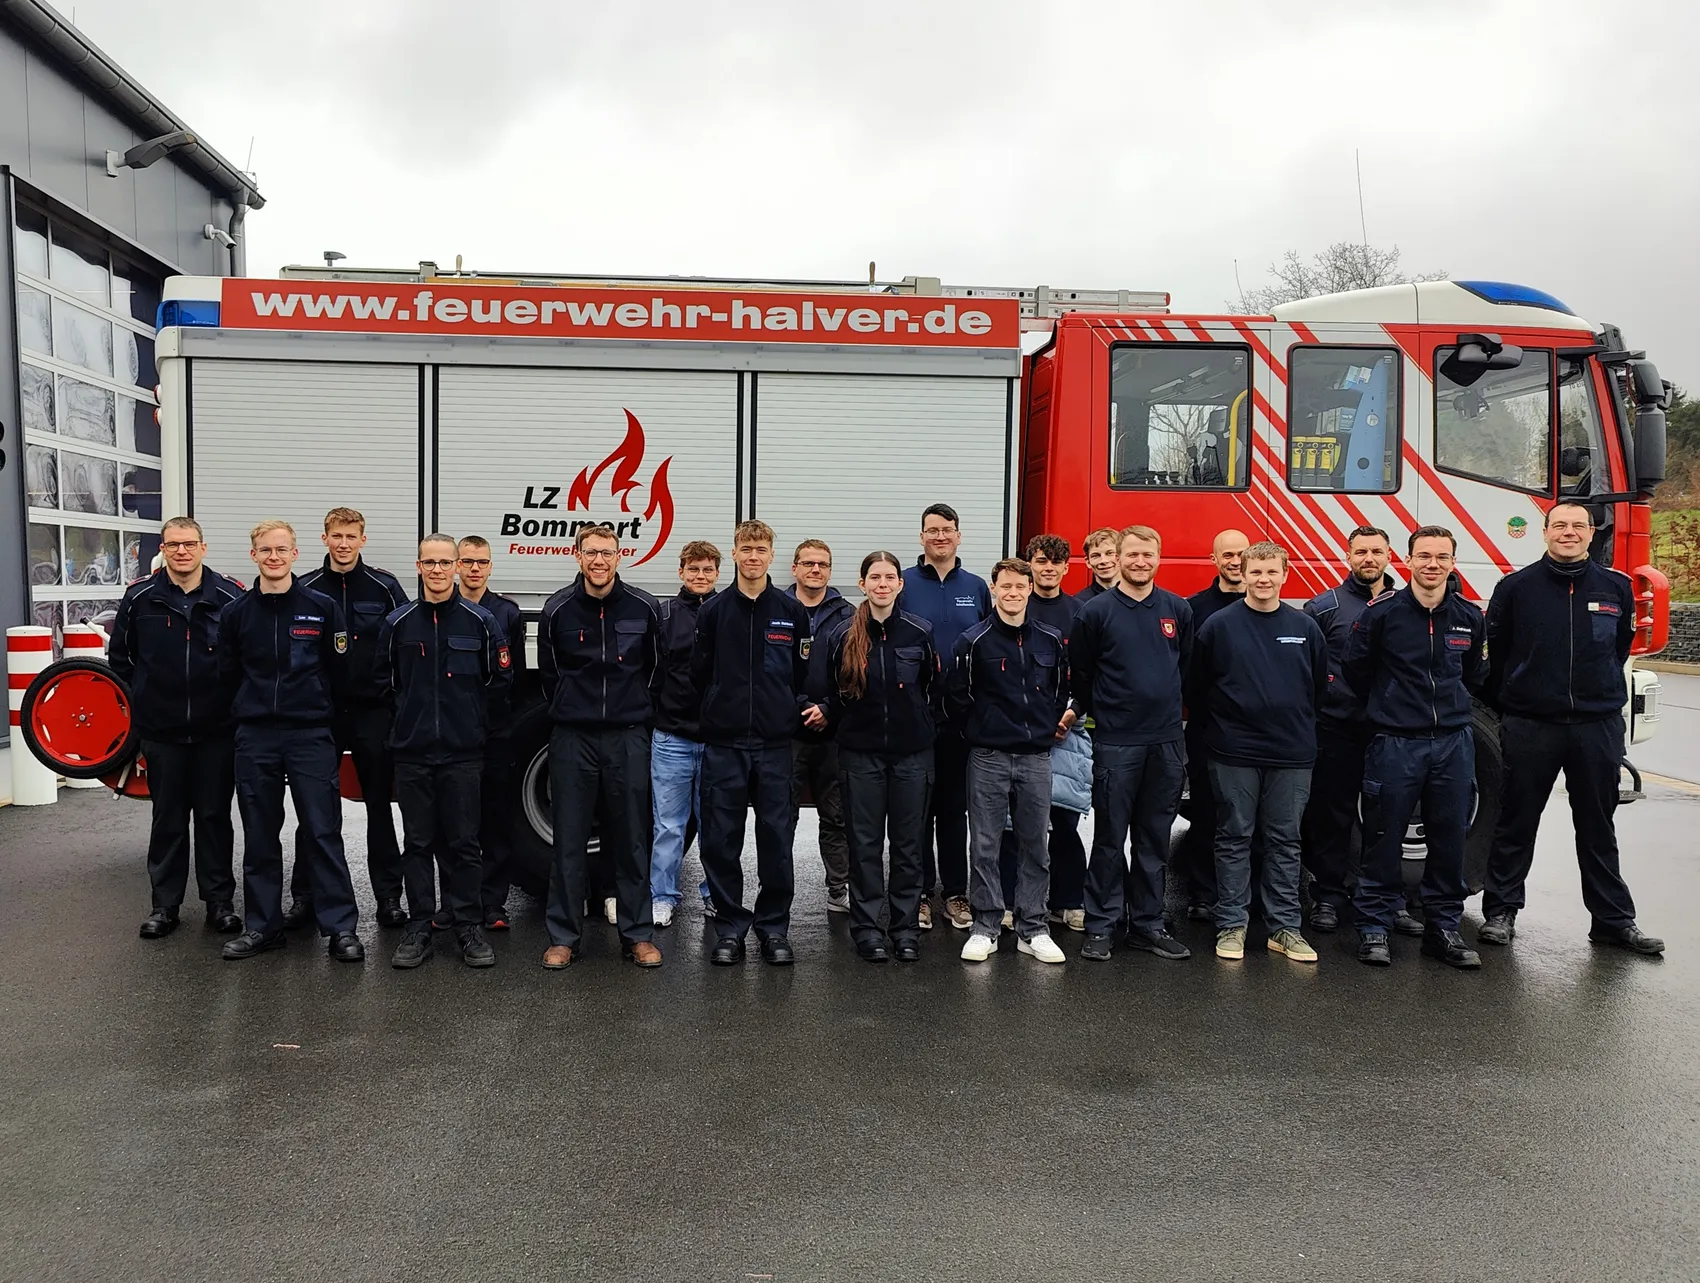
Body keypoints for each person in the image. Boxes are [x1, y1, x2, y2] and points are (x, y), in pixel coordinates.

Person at [1478, 502, 1664, 956]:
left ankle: (1613, 921)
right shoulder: (1515, 588)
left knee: (1598, 827)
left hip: (1595, 727)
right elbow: (1497, 653)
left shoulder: (1616, 587)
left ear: (1591, 533)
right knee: (1515, 822)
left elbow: (1619, 648)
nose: (1568, 532)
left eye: (1578, 526)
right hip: (1531, 724)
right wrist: (1517, 701)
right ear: (1544, 532)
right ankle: (1501, 912)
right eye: (1559, 525)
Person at [216, 520, 363, 963]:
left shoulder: (321, 608)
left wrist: (323, 718)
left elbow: (341, 673)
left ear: (295, 554)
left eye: (281, 549)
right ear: (254, 555)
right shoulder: (236, 613)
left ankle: (341, 928)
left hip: (309, 734)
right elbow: (227, 674)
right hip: (256, 735)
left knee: (322, 831)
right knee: (260, 835)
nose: (274, 557)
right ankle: (263, 927)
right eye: (265, 550)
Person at [1342, 525, 1485, 969]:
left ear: (1453, 562)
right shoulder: (1382, 614)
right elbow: (1356, 669)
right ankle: (1374, 927)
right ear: (1407, 561)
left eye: (1442, 557)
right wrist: (1390, 707)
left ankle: (1443, 929)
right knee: (1382, 837)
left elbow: (1474, 675)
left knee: (1450, 839)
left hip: (1453, 743)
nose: (1432, 564)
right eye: (1424, 556)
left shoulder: (1469, 616)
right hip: (1396, 742)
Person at [375, 535, 511, 969]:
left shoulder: (481, 621)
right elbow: (383, 683)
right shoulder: (398, 623)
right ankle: (419, 927)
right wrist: (408, 724)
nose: (437, 570)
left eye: (444, 563)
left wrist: (471, 725)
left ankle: (468, 926)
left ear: (456, 567)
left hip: (463, 754)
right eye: (429, 563)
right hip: (412, 753)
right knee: (417, 843)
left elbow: (499, 683)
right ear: (418, 566)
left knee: (465, 843)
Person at [107, 516, 246, 939]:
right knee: (167, 819)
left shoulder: (230, 597)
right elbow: (121, 660)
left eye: (188, 544)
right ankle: (164, 907)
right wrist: (146, 700)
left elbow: (246, 657)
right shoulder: (140, 597)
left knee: (214, 818)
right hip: (162, 732)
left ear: (203, 547)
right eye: (173, 545)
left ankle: (219, 904)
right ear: (163, 550)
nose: (181, 552)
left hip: (216, 731)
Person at [1189, 541, 1327, 964]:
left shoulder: (1305, 628)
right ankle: (1232, 924)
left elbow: (1317, 688)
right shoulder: (1218, 626)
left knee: (1285, 840)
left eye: (1271, 572)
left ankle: (1284, 928)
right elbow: (1197, 687)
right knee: (1234, 836)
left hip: (1292, 753)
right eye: (1256, 572)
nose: (1263, 579)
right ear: (1243, 574)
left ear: (1285, 575)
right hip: (1233, 752)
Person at [535, 524, 664, 969]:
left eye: (606, 553)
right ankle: (563, 937)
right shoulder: (558, 609)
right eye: (590, 553)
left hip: (628, 736)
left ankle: (637, 934)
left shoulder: (644, 607)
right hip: (574, 738)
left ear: (618, 557)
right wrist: (573, 708)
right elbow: (549, 675)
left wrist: (635, 710)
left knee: (631, 838)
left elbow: (655, 669)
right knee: (569, 839)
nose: (598, 561)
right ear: (577, 556)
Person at [692, 520, 820, 965]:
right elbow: (700, 673)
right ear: (734, 554)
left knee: (776, 840)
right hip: (725, 745)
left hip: (774, 745)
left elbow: (800, 673)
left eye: (760, 549)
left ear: (771, 555)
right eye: (745, 549)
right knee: (720, 841)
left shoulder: (791, 611)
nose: (753, 556)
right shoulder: (713, 611)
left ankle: (773, 929)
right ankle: (729, 929)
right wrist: (719, 707)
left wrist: (778, 708)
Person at [1069, 526, 1192, 962]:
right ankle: (1101, 925)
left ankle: (1147, 924)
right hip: (1117, 742)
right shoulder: (1095, 613)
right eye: (1133, 554)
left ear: (1159, 558)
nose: (1140, 562)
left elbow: (1185, 668)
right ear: (1118, 557)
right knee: (1109, 838)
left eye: (1148, 554)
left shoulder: (1177, 609)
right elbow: (1082, 674)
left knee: (1153, 839)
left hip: (1166, 742)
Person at [285, 508, 409, 930]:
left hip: (373, 712)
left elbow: (404, 643)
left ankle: (389, 898)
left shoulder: (384, 587)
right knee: (315, 809)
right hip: (320, 714)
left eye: (350, 536)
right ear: (324, 539)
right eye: (336, 536)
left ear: (362, 540)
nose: (343, 544)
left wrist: (393, 699)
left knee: (379, 807)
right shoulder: (304, 588)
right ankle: (304, 897)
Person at [947, 558, 1071, 964]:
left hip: (1036, 757)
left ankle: (1032, 927)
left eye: (1020, 586)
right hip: (989, 757)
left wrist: (1043, 727)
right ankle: (985, 926)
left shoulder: (1051, 640)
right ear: (994, 590)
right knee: (985, 844)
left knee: (1035, 844)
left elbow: (1059, 690)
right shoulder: (973, 641)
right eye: (1006, 586)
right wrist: (982, 731)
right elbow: (958, 697)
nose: (1013, 593)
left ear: (1030, 589)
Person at [1301, 526, 1423, 936]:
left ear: (1390, 556)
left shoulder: (1408, 606)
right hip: (1337, 730)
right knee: (1332, 817)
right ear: (1347, 556)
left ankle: (1389, 900)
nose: (1368, 558)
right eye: (1361, 552)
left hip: (1391, 732)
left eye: (1376, 551)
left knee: (1386, 819)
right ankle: (1328, 897)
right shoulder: (1323, 608)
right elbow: (1305, 671)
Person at [823, 551, 940, 962]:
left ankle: (905, 930)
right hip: (861, 757)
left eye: (890, 577)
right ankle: (867, 929)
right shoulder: (842, 635)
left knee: (908, 847)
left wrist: (918, 727)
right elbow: (831, 691)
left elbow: (933, 687)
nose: (883, 584)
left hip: (912, 757)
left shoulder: (920, 632)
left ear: (900, 584)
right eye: (875, 577)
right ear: (863, 584)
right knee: (865, 846)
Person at [901, 503, 990, 931]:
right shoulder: (903, 582)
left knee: (954, 810)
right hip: (914, 714)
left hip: (961, 718)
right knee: (916, 808)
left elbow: (990, 643)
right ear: (921, 537)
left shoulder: (975, 587)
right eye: (932, 530)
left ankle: (955, 893)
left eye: (947, 529)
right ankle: (918, 894)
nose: (940, 536)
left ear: (958, 535)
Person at [454, 535, 529, 930]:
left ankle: (493, 903)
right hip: (454, 733)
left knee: (496, 817)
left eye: (481, 562)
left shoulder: (507, 613)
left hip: (495, 731)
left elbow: (515, 675)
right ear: (456, 565)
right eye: (467, 561)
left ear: (490, 566)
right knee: (456, 822)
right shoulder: (443, 608)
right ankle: (457, 902)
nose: (474, 568)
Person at [1177, 527, 1250, 920]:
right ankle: (1203, 895)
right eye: (1228, 555)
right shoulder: (1193, 609)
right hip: (1208, 729)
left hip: (1256, 733)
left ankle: (1249, 895)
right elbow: (1185, 670)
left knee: (1252, 819)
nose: (1235, 562)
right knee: (1206, 812)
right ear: (1214, 559)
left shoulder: (1268, 604)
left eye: (1241, 554)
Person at [1016, 533, 1088, 932]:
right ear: (1030, 564)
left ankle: (1068, 900)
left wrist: (1073, 712)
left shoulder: (1080, 613)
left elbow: (1088, 672)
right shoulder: (1015, 606)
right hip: (1019, 731)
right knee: (1016, 823)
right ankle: (1012, 901)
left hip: (1066, 731)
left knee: (1064, 821)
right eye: (1041, 561)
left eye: (1055, 562)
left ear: (1066, 567)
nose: (1048, 568)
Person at [649, 540, 721, 927]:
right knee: (668, 826)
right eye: (693, 569)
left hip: (716, 740)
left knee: (714, 825)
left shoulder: (727, 613)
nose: (700, 576)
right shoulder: (663, 616)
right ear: (681, 572)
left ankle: (715, 896)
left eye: (707, 569)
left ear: (717, 573)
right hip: (671, 739)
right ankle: (662, 897)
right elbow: (652, 673)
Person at [787, 539, 856, 915]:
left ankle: (838, 888)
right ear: (795, 568)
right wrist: (800, 705)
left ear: (830, 570)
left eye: (823, 564)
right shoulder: (777, 607)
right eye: (808, 563)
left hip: (834, 732)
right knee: (782, 815)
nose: (815, 569)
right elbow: (768, 668)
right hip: (788, 731)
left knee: (836, 815)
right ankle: (776, 888)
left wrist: (829, 707)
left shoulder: (848, 614)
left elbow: (855, 672)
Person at [1077, 527, 1122, 600]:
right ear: (1088, 562)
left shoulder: (1138, 597)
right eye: (1096, 555)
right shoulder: (1080, 602)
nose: (1103, 561)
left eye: (1110, 553)